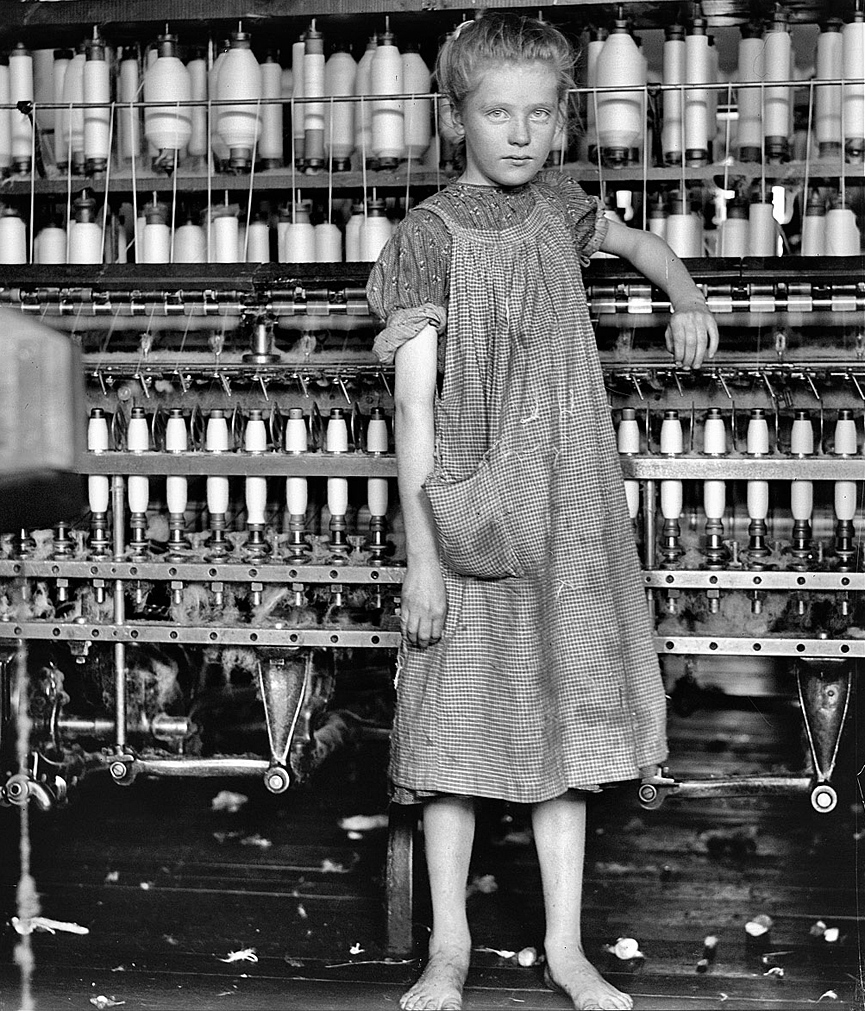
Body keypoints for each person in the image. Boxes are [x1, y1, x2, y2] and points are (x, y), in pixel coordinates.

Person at [367, 13, 718, 1011]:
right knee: (453, 736)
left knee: (564, 728)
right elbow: (413, 408)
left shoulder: (563, 204)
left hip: (568, 509)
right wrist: (423, 560)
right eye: (496, 114)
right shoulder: (426, 237)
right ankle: (449, 948)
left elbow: (640, 242)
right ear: (454, 119)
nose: (519, 134)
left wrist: (686, 295)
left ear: (562, 119)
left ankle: (565, 949)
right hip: (472, 509)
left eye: (539, 113)